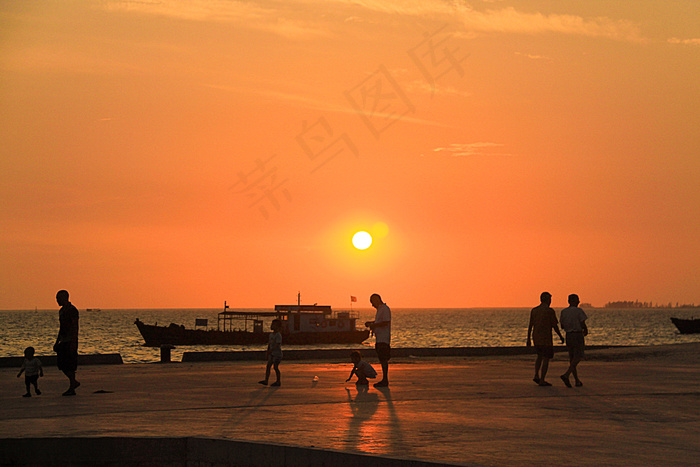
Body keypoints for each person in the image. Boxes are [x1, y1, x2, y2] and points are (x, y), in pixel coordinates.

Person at [527, 291, 565, 386]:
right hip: (546, 338)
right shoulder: (549, 311)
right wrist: (560, 336)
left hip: (536, 337)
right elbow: (554, 325)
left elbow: (530, 325)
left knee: (539, 356)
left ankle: (536, 375)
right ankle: (542, 379)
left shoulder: (534, 310)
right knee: (546, 358)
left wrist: (528, 338)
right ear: (547, 300)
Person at [54, 290, 80, 396]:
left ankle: (72, 386)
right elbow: (61, 328)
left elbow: (75, 326)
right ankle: (74, 382)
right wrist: (57, 341)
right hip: (63, 340)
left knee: (70, 364)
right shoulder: (61, 311)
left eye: (58, 298)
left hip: (70, 340)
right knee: (62, 364)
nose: (57, 300)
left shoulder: (72, 310)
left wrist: (74, 341)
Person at [560, 294, 589, 388]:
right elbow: (582, 322)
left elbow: (562, 325)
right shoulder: (578, 311)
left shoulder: (564, 312)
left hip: (568, 335)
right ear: (575, 301)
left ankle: (576, 380)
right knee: (579, 356)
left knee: (572, 358)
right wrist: (585, 329)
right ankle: (567, 374)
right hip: (577, 334)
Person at [365, 293, 391, 387]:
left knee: (384, 359)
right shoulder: (380, 310)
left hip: (384, 338)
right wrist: (372, 323)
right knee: (382, 359)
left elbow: (385, 322)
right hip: (379, 338)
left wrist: (373, 325)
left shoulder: (385, 309)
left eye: (372, 302)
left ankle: (385, 379)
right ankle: (384, 379)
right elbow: (380, 322)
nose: (372, 305)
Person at [259, 319, 282, 387]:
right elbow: (269, 344)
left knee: (275, 367)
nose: (271, 326)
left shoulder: (278, 335)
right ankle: (266, 380)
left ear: (277, 326)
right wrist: (268, 351)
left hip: (277, 354)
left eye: (273, 325)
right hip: (272, 354)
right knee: (268, 366)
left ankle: (278, 381)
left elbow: (277, 344)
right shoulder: (271, 335)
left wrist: (271, 350)